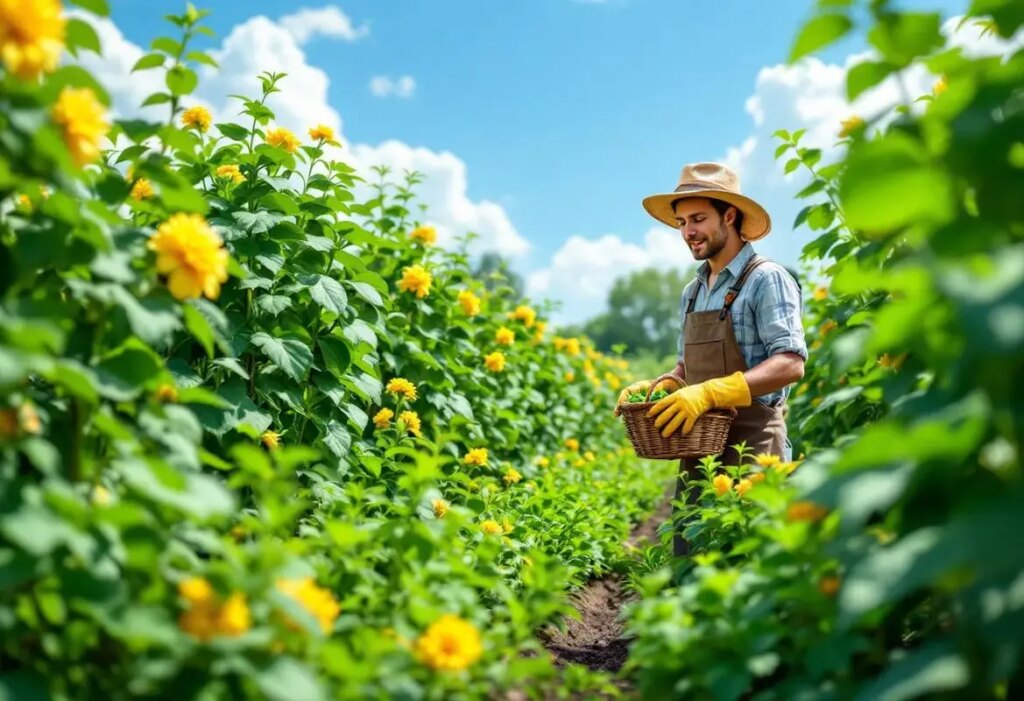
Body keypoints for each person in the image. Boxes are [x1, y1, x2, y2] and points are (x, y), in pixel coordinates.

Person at [613, 162, 807, 557]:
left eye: (698, 219)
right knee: (691, 565)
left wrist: (715, 392)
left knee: (748, 564)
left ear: (730, 216)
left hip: (754, 447)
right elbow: (687, 367)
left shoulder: (766, 278)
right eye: (682, 222)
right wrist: (667, 383)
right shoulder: (693, 291)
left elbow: (790, 362)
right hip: (700, 448)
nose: (688, 232)